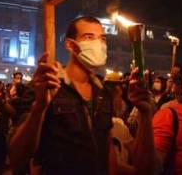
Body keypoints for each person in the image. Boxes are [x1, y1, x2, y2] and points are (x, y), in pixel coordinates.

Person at [9, 16, 112, 174]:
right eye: (89, 37)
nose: (98, 44)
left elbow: (107, 147)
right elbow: (17, 156)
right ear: (71, 45)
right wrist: (40, 108)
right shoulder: (46, 85)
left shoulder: (103, 92)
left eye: (102, 38)